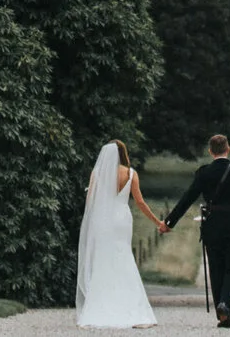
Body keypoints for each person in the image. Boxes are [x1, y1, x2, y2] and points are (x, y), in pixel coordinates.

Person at [157, 134, 230, 329]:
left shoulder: (204, 173)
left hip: (212, 226)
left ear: (210, 151)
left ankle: (223, 316)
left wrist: (169, 222)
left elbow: (187, 199)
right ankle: (224, 304)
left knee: (216, 269)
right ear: (228, 149)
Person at [76, 140, 163, 328]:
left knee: (104, 259)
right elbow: (140, 202)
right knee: (123, 256)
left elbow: (90, 200)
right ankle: (131, 306)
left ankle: (101, 306)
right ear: (124, 153)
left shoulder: (97, 173)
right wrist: (158, 222)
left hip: (103, 220)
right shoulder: (131, 174)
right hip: (122, 219)